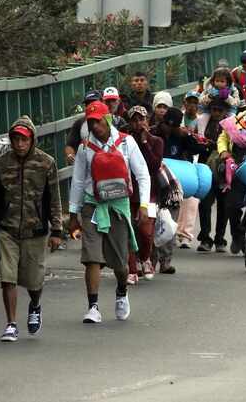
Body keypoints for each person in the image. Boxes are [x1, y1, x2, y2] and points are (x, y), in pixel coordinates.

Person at [68, 101, 150, 324]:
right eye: (91, 122)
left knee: (120, 264)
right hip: (91, 204)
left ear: (108, 119)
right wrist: (73, 212)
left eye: (98, 121)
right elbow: (77, 180)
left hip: (118, 206)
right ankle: (93, 306)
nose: (95, 126)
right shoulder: (85, 148)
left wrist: (143, 205)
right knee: (91, 257)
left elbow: (142, 174)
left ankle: (122, 291)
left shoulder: (127, 142)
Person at [0, 116, 62, 341]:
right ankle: (11, 323)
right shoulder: (0, 163)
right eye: (16, 139)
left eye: (24, 139)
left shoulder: (46, 163)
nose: (20, 144)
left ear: (32, 140)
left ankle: (35, 304)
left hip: (35, 230)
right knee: (7, 276)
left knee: (33, 279)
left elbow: (54, 198)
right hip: (7, 229)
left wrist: (57, 229)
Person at [152, 108, 208, 249]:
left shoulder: (182, 136)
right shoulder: (152, 133)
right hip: (154, 183)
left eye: (173, 126)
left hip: (173, 184)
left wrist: (188, 135)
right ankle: (150, 254)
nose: (169, 129)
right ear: (163, 122)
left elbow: (200, 149)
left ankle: (166, 259)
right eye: (167, 125)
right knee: (151, 219)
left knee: (170, 220)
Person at [218, 94, 246, 255]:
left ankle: (244, 233)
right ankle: (236, 236)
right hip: (235, 167)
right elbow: (223, 138)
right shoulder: (234, 121)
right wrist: (223, 151)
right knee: (232, 206)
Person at [122, 106, 163, 283]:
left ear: (148, 120)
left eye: (142, 119)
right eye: (135, 120)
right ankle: (131, 269)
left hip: (149, 193)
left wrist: (145, 142)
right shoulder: (125, 142)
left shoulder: (157, 141)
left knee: (146, 232)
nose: (139, 124)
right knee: (128, 230)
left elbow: (154, 166)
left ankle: (146, 258)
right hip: (128, 192)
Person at [194, 99, 230, 253]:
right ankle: (205, 238)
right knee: (205, 203)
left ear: (225, 112)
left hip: (224, 170)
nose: (216, 113)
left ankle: (220, 238)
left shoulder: (231, 126)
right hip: (205, 168)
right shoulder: (202, 123)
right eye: (213, 110)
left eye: (219, 110)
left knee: (223, 205)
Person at [65, 90, 103, 165]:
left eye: (94, 102)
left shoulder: (112, 120)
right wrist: (70, 155)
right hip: (87, 165)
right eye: (87, 104)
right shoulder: (79, 124)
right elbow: (70, 145)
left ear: (102, 102)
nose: (91, 106)